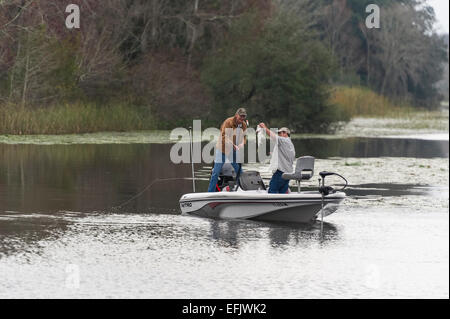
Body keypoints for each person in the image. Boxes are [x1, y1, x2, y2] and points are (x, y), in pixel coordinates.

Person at [207, 108, 248, 192]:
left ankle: (244, 190)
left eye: (244, 117)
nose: (242, 119)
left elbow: (244, 137)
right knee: (216, 172)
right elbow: (224, 136)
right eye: (241, 116)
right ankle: (210, 192)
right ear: (236, 115)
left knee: (240, 171)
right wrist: (232, 144)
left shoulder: (243, 125)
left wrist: (241, 144)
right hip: (222, 150)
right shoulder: (228, 122)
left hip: (233, 150)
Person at [258, 123, 295, 193]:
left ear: (285, 133)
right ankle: (283, 204)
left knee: (272, 190)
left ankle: (270, 204)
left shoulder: (283, 140)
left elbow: (273, 136)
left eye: (280, 133)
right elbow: (286, 155)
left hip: (281, 172)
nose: (278, 134)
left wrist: (264, 128)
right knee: (282, 192)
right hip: (288, 173)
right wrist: (273, 154)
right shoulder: (290, 143)